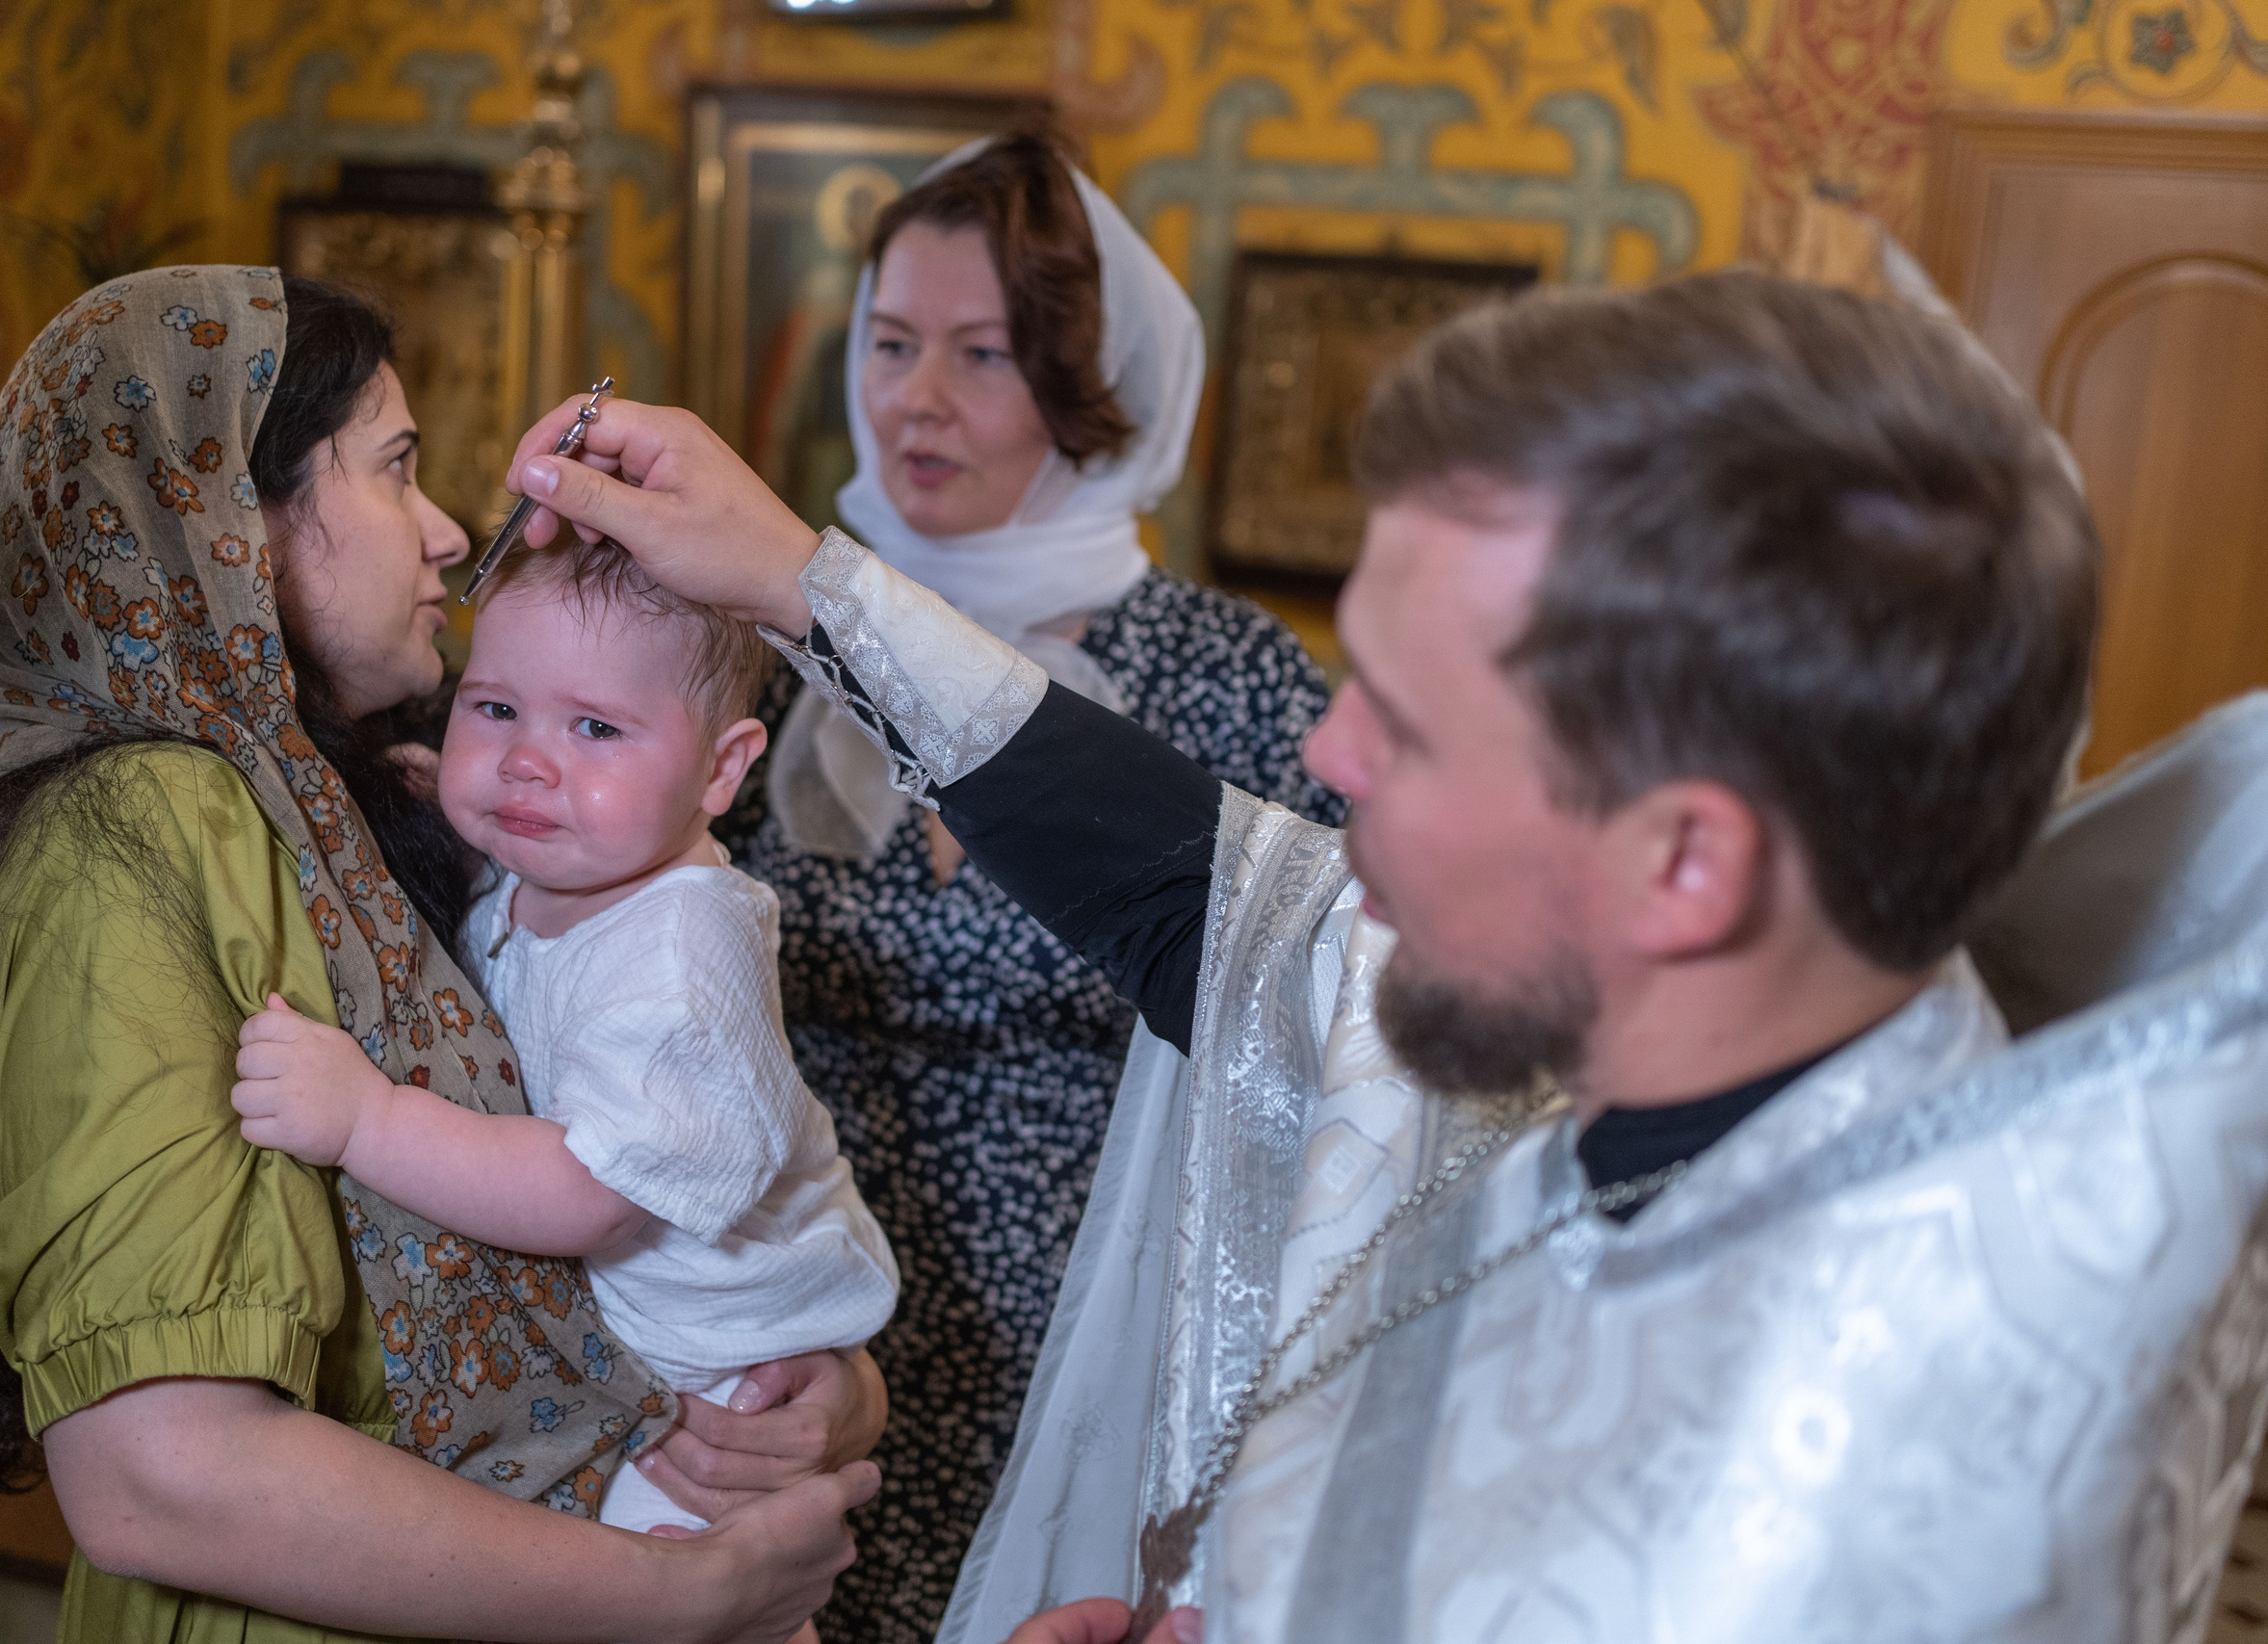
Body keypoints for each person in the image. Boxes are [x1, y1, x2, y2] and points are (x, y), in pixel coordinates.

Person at [504, 267, 2268, 1641]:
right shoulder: (1662, 1039)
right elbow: (1210, 898)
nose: (1328, 763)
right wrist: (793, 576)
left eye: (1407, 727)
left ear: (1685, 861)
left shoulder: (1843, 1486)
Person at [0, 267, 882, 1644]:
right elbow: (163, 1475)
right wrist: (688, 1588)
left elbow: (638, 1181)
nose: (446, 533)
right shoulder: (134, 827)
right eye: (395, 468)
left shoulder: (359, 796)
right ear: (223, 526)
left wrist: (814, 1383)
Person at [705, 131, 1343, 1640]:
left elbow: (1328, 1042)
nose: (916, 397)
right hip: (790, 1345)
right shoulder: (759, 635)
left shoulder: (1229, 677)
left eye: (983, 354)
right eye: (891, 339)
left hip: (1098, 1348)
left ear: (1090, 381)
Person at [229, 533, 901, 1545]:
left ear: (721, 771)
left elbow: (587, 1193)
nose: (528, 762)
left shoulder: (676, 958)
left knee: (665, 1580)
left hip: (713, 1370)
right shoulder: (575, 866)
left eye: (596, 727)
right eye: (494, 708)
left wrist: (366, 1120)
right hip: (632, 1345)